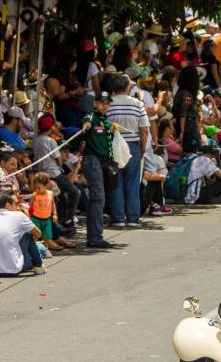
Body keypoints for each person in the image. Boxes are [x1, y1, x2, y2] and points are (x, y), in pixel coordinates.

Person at [107, 74, 150, 227]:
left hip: (113, 146)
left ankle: (118, 218)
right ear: (127, 87)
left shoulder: (108, 104)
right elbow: (144, 129)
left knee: (115, 182)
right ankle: (132, 218)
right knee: (132, 182)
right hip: (133, 145)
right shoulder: (137, 104)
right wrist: (143, 148)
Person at [0, 192, 45, 276]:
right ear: (8, 205)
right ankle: (38, 265)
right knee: (27, 233)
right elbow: (38, 234)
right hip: (13, 269)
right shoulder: (19, 216)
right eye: (15, 204)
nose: (17, 207)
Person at [33, 114, 80, 232]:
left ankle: (62, 222)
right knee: (75, 192)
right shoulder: (51, 141)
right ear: (51, 127)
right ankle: (69, 220)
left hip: (41, 173)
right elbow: (59, 160)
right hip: (53, 173)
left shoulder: (36, 140)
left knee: (62, 197)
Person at [80, 92, 115, 249]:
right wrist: (86, 125)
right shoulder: (92, 117)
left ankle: (93, 236)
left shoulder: (105, 120)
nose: (105, 106)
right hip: (92, 160)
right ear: (95, 103)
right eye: (102, 103)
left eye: (107, 103)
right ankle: (95, 237)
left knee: (99, 198)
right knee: (98, 197)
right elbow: (86, 121)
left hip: (103, 161)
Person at [28, 172, 70, 252]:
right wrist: (29, 216)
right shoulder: (34, 195)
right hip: (36, 219)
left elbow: (53, 205)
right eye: (35, 187)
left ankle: (45, 250)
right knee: (35, 236)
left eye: (39, 188)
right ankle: (34, 250)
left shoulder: (50, 194)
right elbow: (29, 207)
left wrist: (54, 214)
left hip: (47, 219)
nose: (37, 189)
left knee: (47, 236)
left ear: (46, 185)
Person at [172, 66, 202, 154]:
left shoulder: (181, 91)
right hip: (187, 124)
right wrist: (182, 131)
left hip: (188, 123)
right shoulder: (186, 94)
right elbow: (183, 113)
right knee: (189, 150)